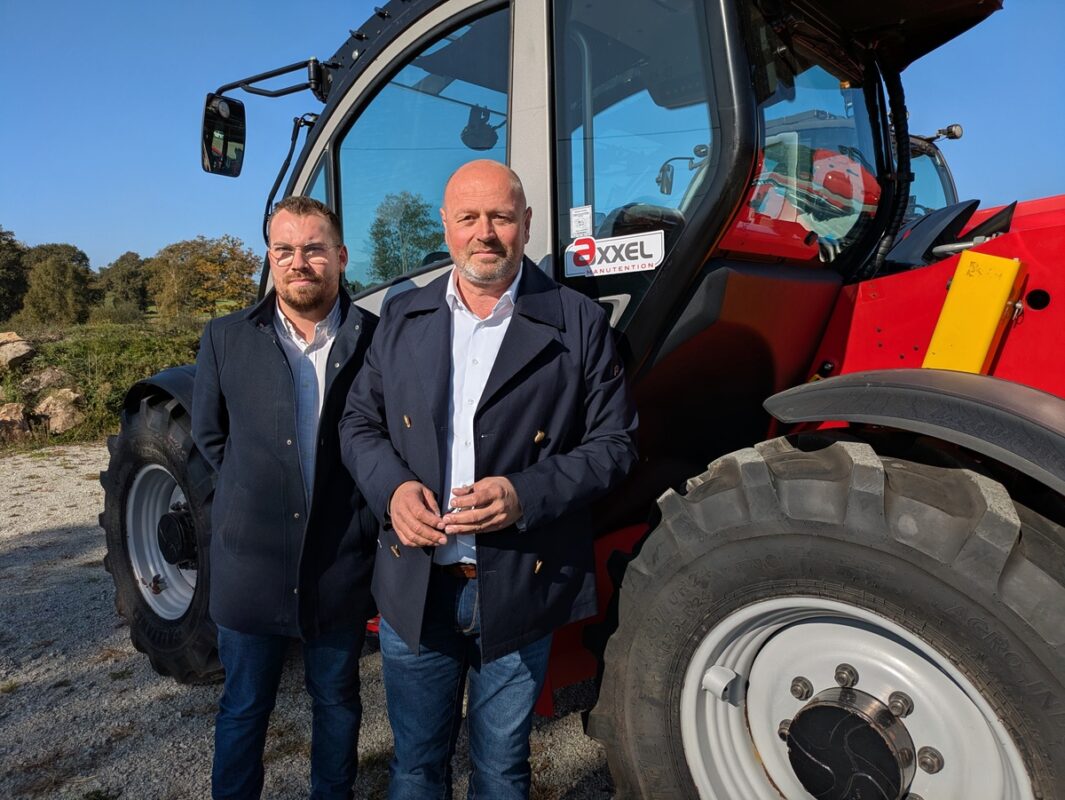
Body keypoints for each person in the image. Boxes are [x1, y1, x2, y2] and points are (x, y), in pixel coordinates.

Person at [339, 160, 637, 799]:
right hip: (415, 586)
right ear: (445, 226)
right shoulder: (403, 315)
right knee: (416, 768)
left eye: (501, 217)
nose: (485, 233)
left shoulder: (577, 321)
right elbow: (358, 425)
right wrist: (391, 490)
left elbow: (615, 446)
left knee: (502, 769)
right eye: (468, 218)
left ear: (525, 224)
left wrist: (525, 494)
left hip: (518, 582)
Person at [192, 195, 377, 800]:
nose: (300, 262)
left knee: (338, 702)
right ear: (269, 259)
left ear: (341, 257)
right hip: (251, 567)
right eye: (285, 250)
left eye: (314, 248)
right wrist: (257, 493)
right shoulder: (224, 339)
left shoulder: (375, 338)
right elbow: (210, 436)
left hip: (338, 564)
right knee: (244, 707)